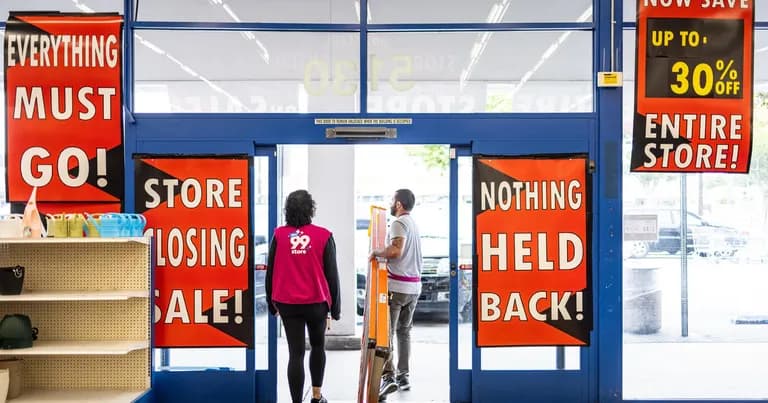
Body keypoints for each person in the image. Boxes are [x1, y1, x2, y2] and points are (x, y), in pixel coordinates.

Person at [266, 189, 341, 403]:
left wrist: (273, 305)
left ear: (287, 210)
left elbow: (270, 271)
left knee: (295, 354)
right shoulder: (324, 235)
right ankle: (316, 396)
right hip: (316, 303)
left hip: (287, 304)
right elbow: (332, 275)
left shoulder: (279, 235)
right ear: (311, 210)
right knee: (318, 346)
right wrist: (335, 309)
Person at [370, 189, 423, 399]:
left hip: (398, 288)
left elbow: (395, 251)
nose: (391, 203)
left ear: (399, 204)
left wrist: (376, 252)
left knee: (387, 333)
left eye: (392, 200)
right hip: (414, 288)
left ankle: (388, 377)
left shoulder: (398, 224)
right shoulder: (414, 224)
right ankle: (404, 376)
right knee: (404, 332)